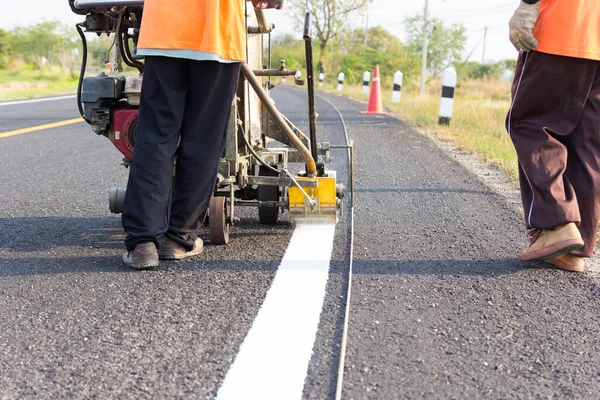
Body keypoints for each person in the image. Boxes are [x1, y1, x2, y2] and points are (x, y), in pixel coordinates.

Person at [122, 0, 283, 269]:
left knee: (156, 136)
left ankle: (143, 244)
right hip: (216, 35)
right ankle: (178, 237)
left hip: (164, 31)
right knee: (203, 139)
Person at [507, 0, 600, 272]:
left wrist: (527, 5)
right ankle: (574, 248)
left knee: (529, 123)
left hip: (563, 27)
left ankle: (558, 223)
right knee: (587, 142)